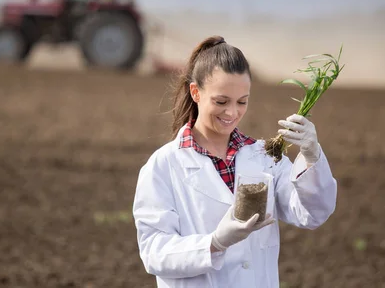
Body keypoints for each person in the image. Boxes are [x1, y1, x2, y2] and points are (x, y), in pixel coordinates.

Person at [132, 35, 338, 288]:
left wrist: (311, 154)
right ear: (195, 92)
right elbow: (154, 252)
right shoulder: (164, 165)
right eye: (221, 102)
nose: (232, 113)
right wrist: (215, 243)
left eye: (242, 102)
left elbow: (312, 214)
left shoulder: (265, 158)